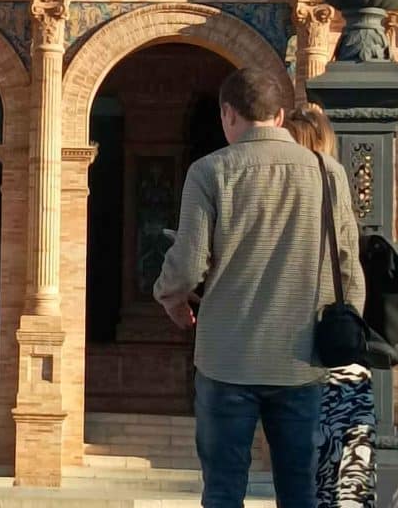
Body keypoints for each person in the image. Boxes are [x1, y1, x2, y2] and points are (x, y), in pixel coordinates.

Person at [153, 68, 365, 507]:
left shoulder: (208, 172)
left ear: (228, 114)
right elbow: (348, 267)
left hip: (226, 360)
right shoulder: (328, 173)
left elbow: (188, 265)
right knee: (298, 487)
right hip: (300, 360)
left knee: (224, 489)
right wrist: (342, 330)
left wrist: (172, 300)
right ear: (281, 114)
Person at [285, 108, 376, 508]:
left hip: (291, 358)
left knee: (302, 478)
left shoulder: (281, 195)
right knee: (348, 483)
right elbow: (351, 275)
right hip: (338, 353)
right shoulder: (335, 184)